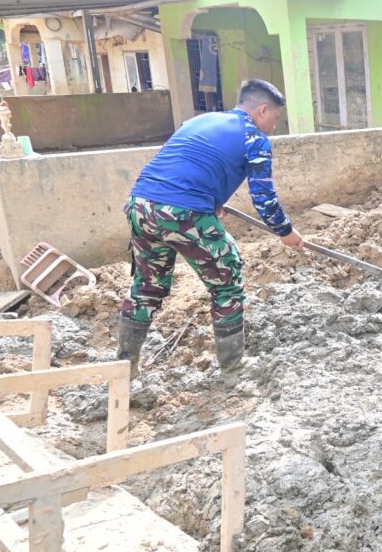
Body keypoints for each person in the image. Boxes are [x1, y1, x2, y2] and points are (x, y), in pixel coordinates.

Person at [116, 79, 305, 380]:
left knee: (147, 287)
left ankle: (124, 368)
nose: (274, 126)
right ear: (263, 110)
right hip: (184, 212)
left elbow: (190, 164)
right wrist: (286, 232)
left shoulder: (200, 120)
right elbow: (264, 198)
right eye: (275, 118)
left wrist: (213, 200)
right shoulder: (254, 138)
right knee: (227, 283)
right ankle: (233, 370)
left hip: (140, 204)